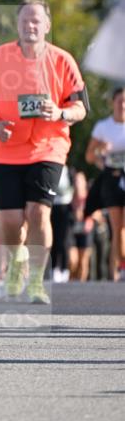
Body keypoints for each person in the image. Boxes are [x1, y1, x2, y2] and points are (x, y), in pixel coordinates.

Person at [0, 0, 86, 303]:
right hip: (6, 147)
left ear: (47, 26)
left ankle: (36, 279)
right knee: (9, 220)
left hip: (49, 147)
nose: (30, 26)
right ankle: (16, 261)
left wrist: (60, 113)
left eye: (36, 21)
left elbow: (81, 108)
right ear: (17, 25)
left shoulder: (62, 61)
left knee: (37, 212)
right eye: (25, 21)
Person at [85, 86, 125, 281]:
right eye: (119, 101)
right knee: (117, 228)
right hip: (112, 178)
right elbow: (89, 156)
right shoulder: (103, 126)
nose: (123, 105)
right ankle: (119, 269)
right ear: (113, 103)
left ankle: (120, 267)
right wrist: (101, 150)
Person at [68, 170, 94, 282]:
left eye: (80, 180)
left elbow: (97, 213)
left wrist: (88, 215)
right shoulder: (69, 197)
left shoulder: (90, 196)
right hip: (72, 231)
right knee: (72, 260)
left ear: (84, 182)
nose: (78, 182)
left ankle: (81, 285)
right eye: (76, 180)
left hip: (86, 230)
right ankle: (71, 281)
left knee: (83, 260)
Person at [50, 166, 74, 283]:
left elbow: (74, 190)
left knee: (64, 240)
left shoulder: (70, 171)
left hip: (66, 208)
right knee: (53, 240)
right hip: (52, 207)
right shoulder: (51, 167)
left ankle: (65, 270)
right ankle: (53, 268)